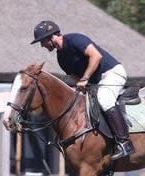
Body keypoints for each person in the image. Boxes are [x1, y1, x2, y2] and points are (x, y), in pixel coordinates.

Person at [31, 20, 135, 160]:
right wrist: (81, 86)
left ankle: (125, 142)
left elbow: (96, 56)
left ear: (50, 37)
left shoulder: (75, 39)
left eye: (42, 41)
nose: (42, 45)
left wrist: (85, 78)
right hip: (97, 83)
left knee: (105, 100)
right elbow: (74, 77)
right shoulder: (61, 58)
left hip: (112, 73)